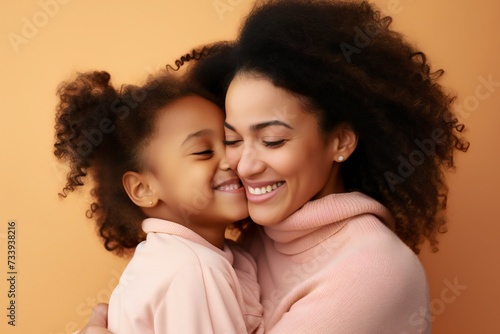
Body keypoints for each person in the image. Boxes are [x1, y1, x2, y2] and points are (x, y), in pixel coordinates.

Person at [77, 0, 469, 333]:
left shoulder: (373, 271)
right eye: (232, 139)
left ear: (340, 142)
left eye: (273, 140)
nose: (242, 165)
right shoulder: (247, 241)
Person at [54, 70, 263, 333]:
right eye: (203, 151)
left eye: (232, 142)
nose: (232, 160)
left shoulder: (183, 258)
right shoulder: (194, 271)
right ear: (143, 189)